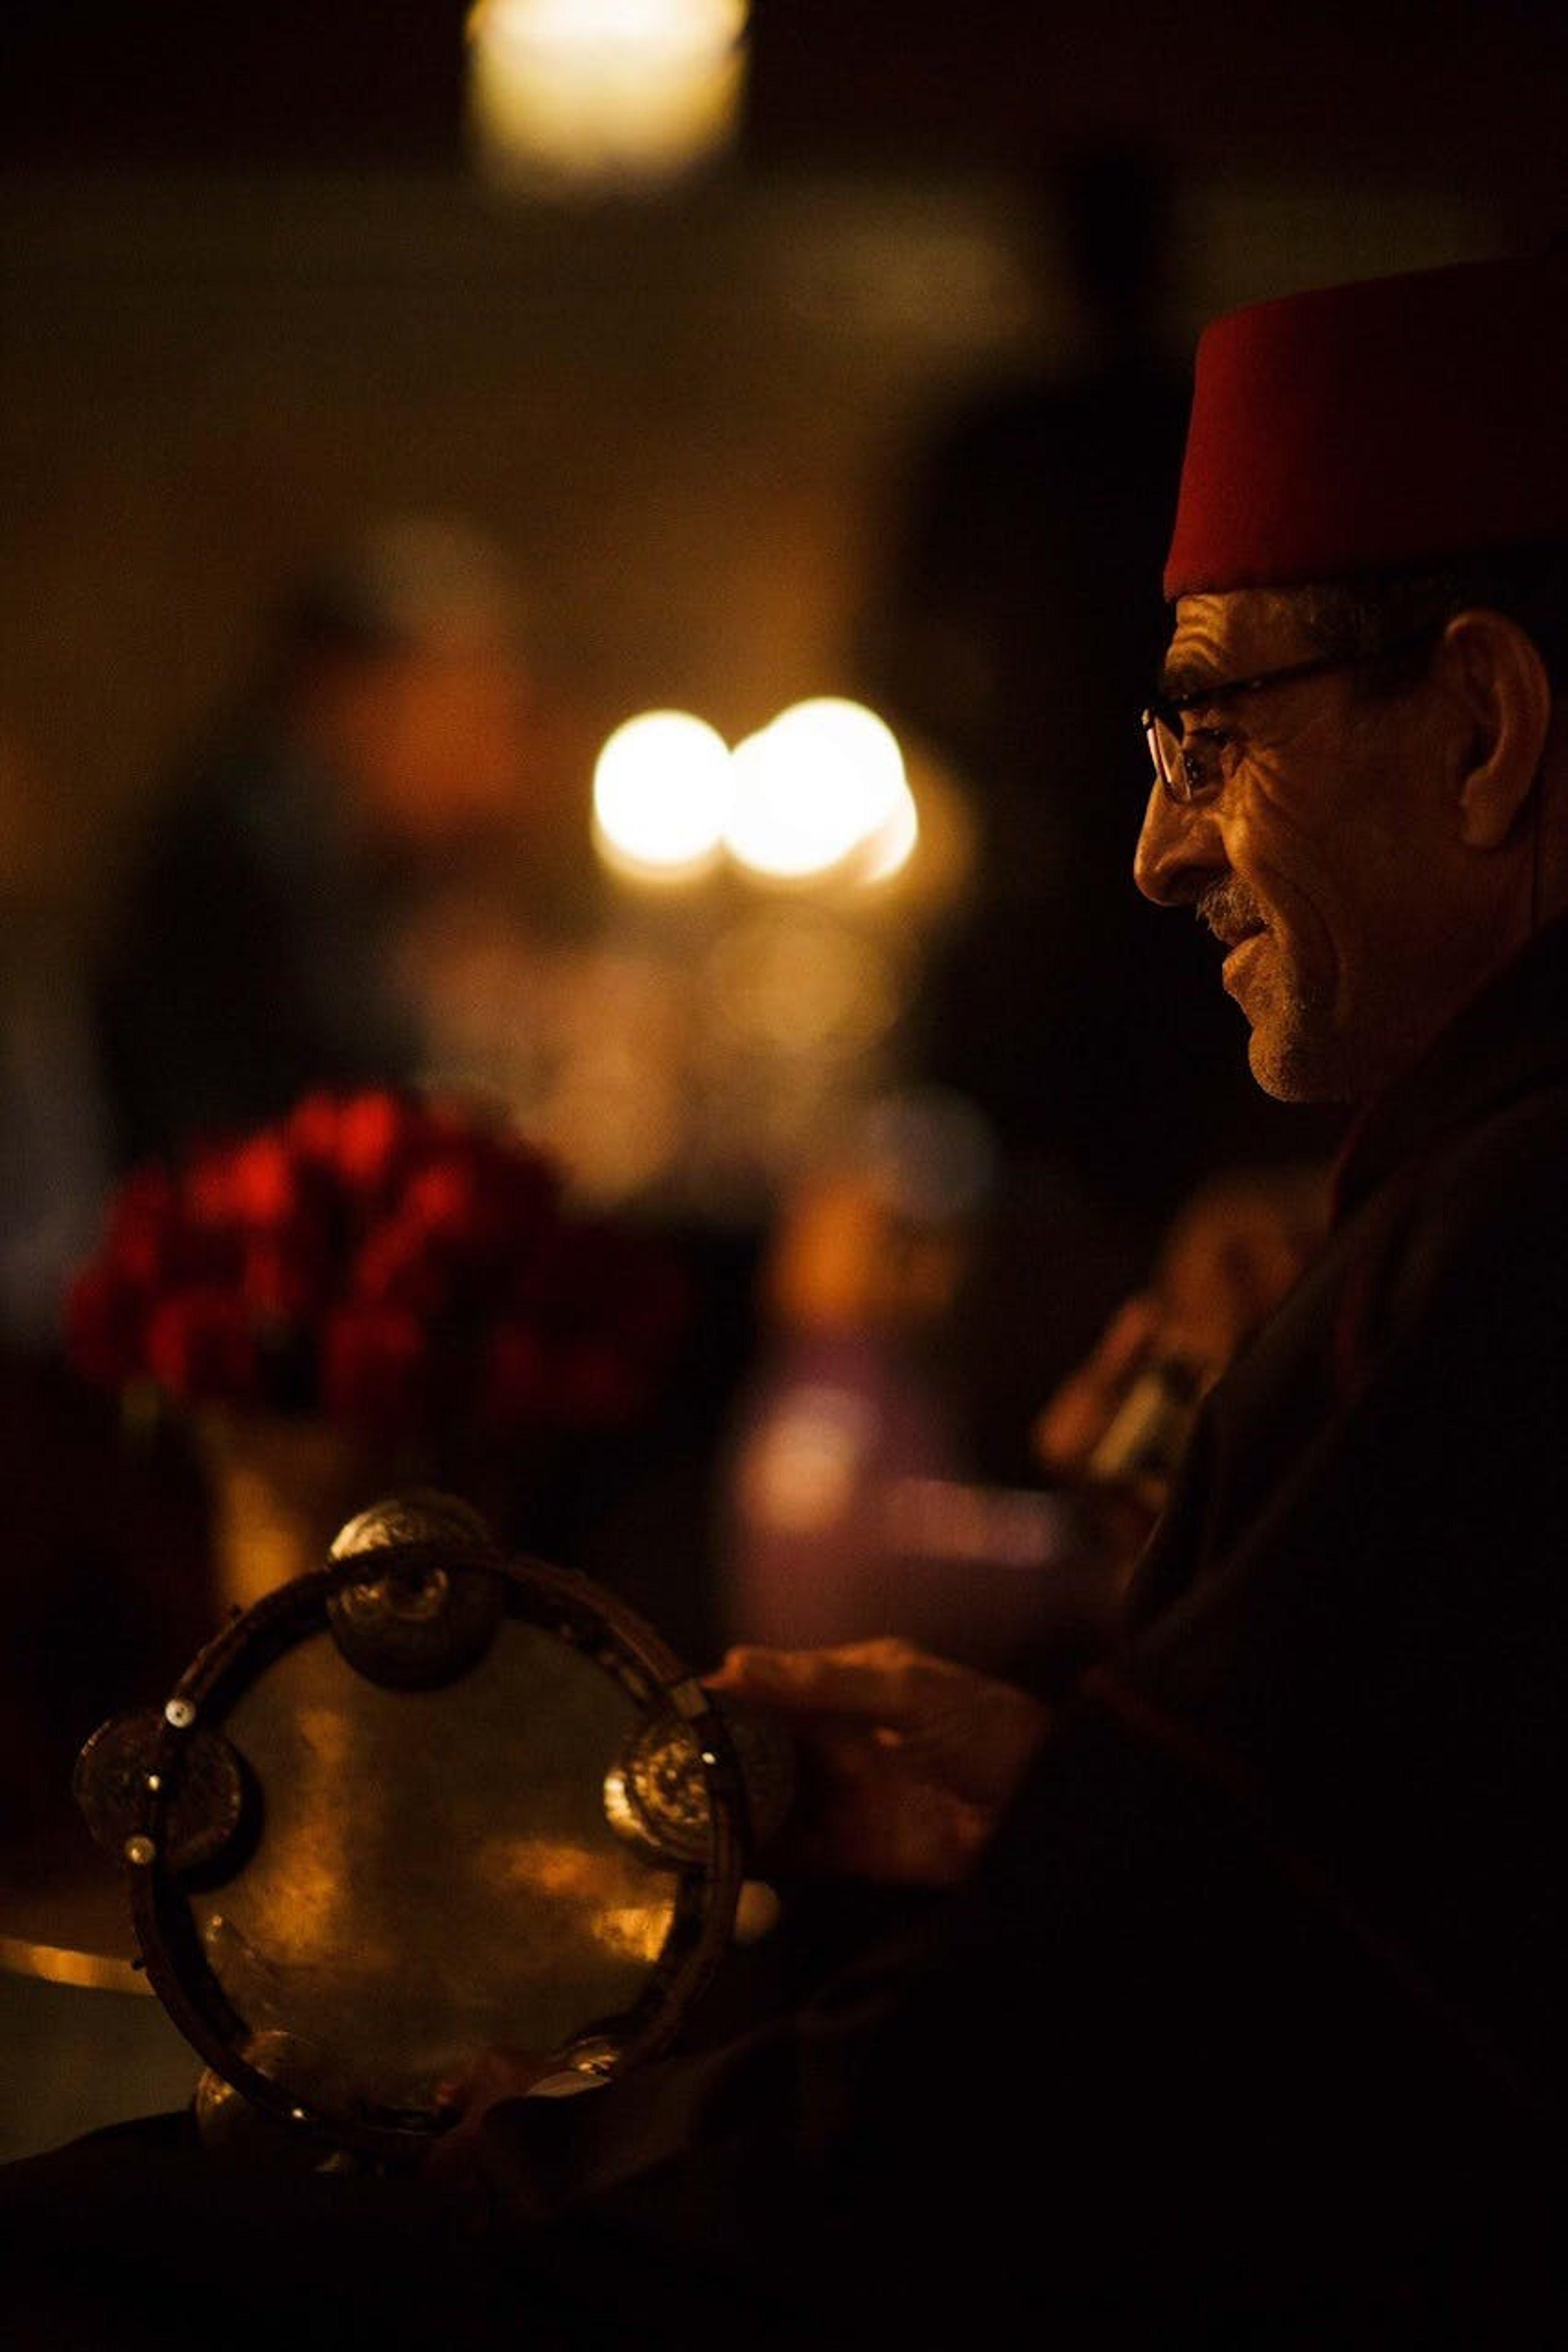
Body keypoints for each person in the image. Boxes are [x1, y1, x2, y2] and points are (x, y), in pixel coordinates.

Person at [6, 249, 1568, 2348]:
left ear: (1479, 727)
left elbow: (1126, 2090)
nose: (1151, 850)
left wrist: (519, 2168)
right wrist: (1053, 1801)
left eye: (1207, 727)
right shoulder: (1462, 1196)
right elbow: (1349, 1925)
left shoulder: (1494, 1251)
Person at [88, 512, 543, 1173]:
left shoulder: (334, 831)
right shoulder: (247, 845)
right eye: (453, 705)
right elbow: (336, 1085)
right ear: (350, 691)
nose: (475, 747)